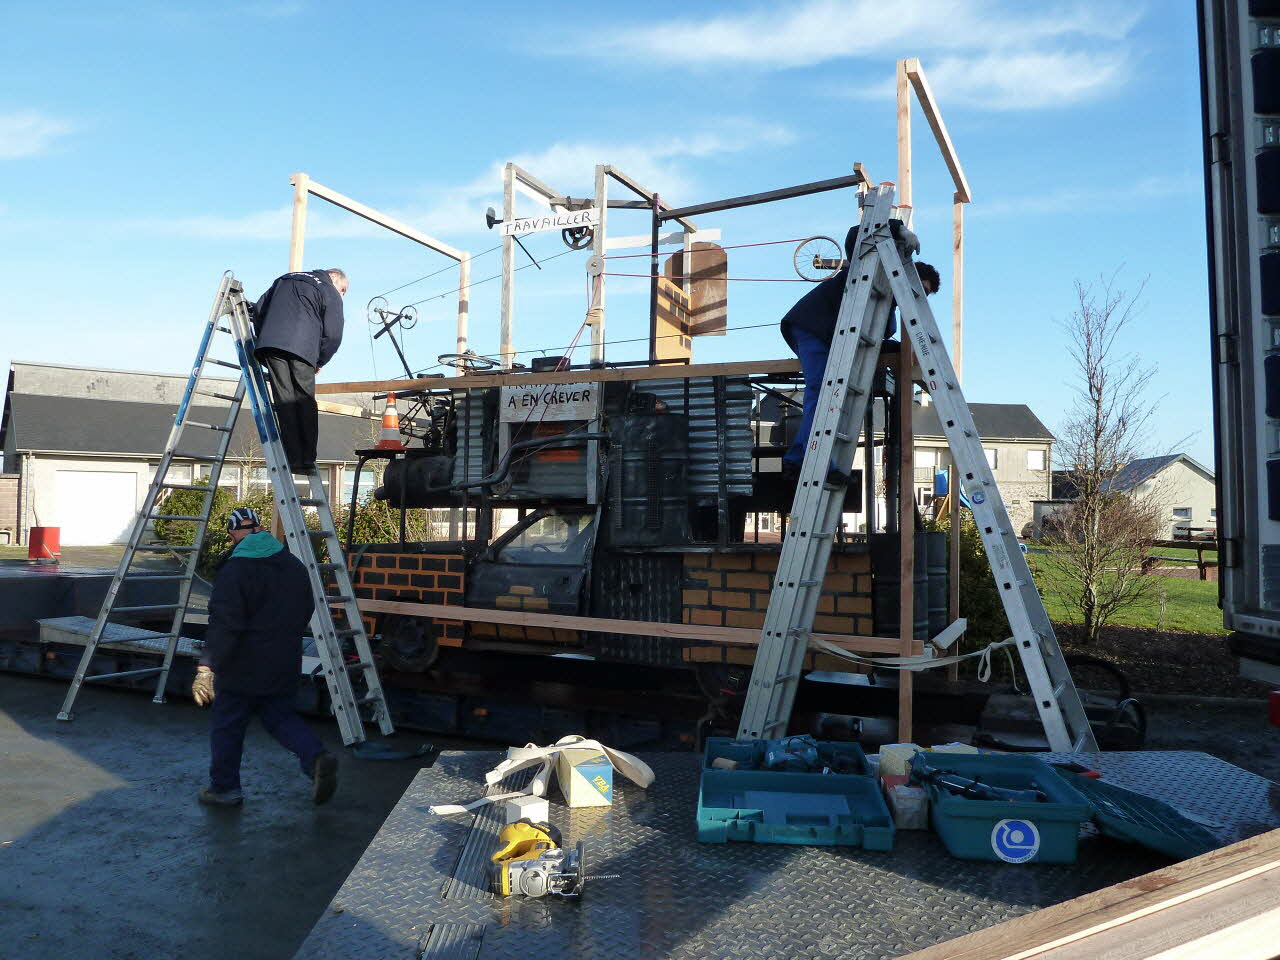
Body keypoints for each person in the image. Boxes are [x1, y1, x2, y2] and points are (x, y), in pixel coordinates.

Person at [193, 507, 338, 806]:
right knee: (279, 716)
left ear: (234, 534)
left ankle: (224, 789)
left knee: (228, 724)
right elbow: (305, 610)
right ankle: (315, 757)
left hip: (242, 666)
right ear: (259, 529)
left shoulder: (235, 570)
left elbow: (225, 623)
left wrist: (207, 665)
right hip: (284, 660)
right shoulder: (293, 565)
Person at [779, 223, 940, 484]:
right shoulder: (871, 275)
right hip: (812, 325)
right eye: (918, 288)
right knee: (821, 391)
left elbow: (878, 341)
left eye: (924, 294)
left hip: (831, 337)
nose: (916, 296)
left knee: (834, 396)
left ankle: (810, 459)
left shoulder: (885, 316)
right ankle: (802, 461)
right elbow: (858, 235)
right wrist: (898, 230)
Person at [252, 268, 348, 473]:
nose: (342, 294)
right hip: (303, 349)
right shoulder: (328, 289)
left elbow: (259, 310)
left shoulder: (284, 279)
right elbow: (333, 335)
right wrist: (319, 360)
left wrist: (263, 337)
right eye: (343, 289)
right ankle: (306, 459)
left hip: (271, 347)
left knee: (284, 400)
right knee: (304, 401)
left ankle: (293, 456)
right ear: (334, 278)